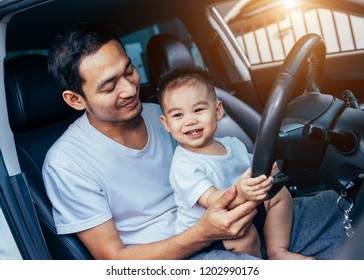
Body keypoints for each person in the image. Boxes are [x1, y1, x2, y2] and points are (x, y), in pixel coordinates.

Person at [43, 22, 346, 260]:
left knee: (342, 207)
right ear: (75, 99)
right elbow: (112, 259)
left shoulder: (158, 114)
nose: (129, 89)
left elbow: (211, 163)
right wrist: (203, 233)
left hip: (232, 220)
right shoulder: (67, 163)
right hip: (177, 260)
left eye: (129, 71)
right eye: (109, 85)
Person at [158, 66, 314, 260]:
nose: (190, 120)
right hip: (213, 232)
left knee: (280, 194)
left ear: (218, 111)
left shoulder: (233, 143)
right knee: (243, 235)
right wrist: (241, 192)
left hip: (245, 211)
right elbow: (213, 200)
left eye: (198, 110)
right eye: (178, 115)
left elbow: (255, 168)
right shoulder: (184, 165)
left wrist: (268, 172)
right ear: (166, 124)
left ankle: (277, 251)